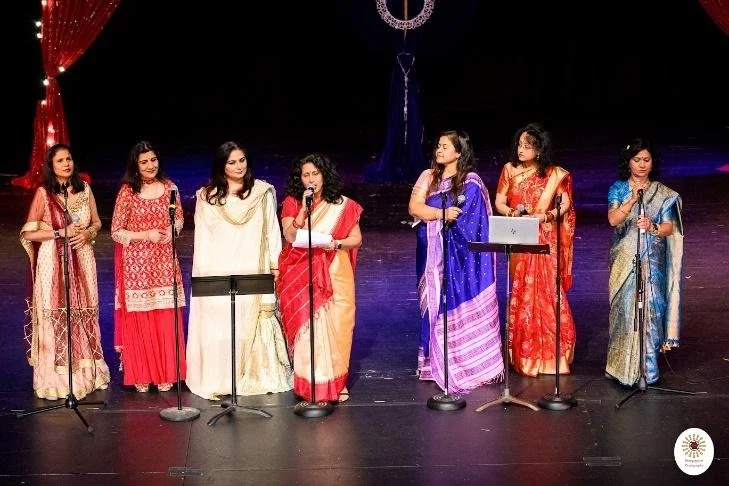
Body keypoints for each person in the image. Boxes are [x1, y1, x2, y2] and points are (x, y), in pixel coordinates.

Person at [186, 141, 292, 399]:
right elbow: (203, 241)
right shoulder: (207, 197)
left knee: (249, 323)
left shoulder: (261, 192)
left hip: (252, 268)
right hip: (219, 271)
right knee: (221, 327)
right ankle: (220, 377)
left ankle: (251, 375)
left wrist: (275, 264)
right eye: (232, 162)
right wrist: (203, 277)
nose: (239, 166)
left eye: (242, 160)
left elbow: (272, 231)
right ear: (221, 166)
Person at [408, 130, 504, 392]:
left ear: (459, 152)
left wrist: (439, 216)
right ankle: (432, 363)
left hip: (461, 257)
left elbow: (473, 224)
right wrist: (441, 213)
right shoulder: (428, 176)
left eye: (445, 146)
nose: (439, 150)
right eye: (438, 146)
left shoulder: (471, 183)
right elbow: (414, 208)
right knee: (432, 302)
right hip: (430, 252)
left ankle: (468, 362)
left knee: (453, 298)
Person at [20, 143, 110, 400]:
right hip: (53, 260)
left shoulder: (84, 189)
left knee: (83, 310)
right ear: (51, 166)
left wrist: (88, 234)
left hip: (83, 257)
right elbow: (28, 233)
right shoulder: (44, 193)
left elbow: (97, 222)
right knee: (57, 313)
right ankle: (56, 380)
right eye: (60, 160)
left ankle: (86, 374)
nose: (66, 164)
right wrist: (60, 232)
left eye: (68, 159)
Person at [277, 153, 363, 403]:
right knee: (308, 327)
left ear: (324, 176)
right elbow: (290, 235)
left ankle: (335, 383)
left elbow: (356, 239)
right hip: (300, 271)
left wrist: (335, 244)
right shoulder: (293, 202)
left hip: (335, 270)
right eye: (306, 175)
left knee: (338, 325)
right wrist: (303, 210)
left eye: (315, 173)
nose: (311, 179)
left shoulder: (342, 204)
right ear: (300, 179)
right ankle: (311, 384)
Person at [494, 123, 576, 376]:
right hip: (520, 236)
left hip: (544, 238)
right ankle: (525, 355)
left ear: (539, 150)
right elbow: (499, 201)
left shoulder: (555, 174)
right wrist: (513, 213)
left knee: (548, 292)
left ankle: (552, 357)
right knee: (522, 291)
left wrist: (546, 216)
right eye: (519, 145)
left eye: (527, 146)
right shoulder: (509, 170)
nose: (521, 150)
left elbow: (565, 204)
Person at [605, 138, 683, 386]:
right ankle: (620, 369)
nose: (641, 165)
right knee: (624, 313)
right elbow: (613, 220)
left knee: (650, 311)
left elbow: (669, 228)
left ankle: (646, 371)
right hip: (623, 259)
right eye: (637, 160)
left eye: (646, 160)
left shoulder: (663, 193)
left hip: (651, 260)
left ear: (652, 163)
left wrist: (652, 226)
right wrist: (630, 202)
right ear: (628, 162)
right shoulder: (618, 188)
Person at [111, 141, 186, 393]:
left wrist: (171, 231)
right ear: (135, 165)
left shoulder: (170, 188)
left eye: (153, 160)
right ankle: (141, 373)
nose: (150, 165)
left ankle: (167, 372)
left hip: (164, 262)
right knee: (141, 316)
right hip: (136, 267)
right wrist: (146, 235)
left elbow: (179, 219)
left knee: (165, 315)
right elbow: (116, 231)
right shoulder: (128, 192)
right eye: (144, 162)